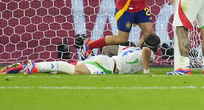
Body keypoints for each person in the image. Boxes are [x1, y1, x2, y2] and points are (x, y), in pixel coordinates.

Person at [19, 34, 161, 75]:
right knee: (73, 70)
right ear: (156, 48)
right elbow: (146, 51)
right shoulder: (149, 53)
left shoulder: (130, 49)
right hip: (108, 66)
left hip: (105, 60)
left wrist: (145, 38)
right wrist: (146, 71)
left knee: (70, 70)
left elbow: (108, 48)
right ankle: (35, 66)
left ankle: (25, 67)